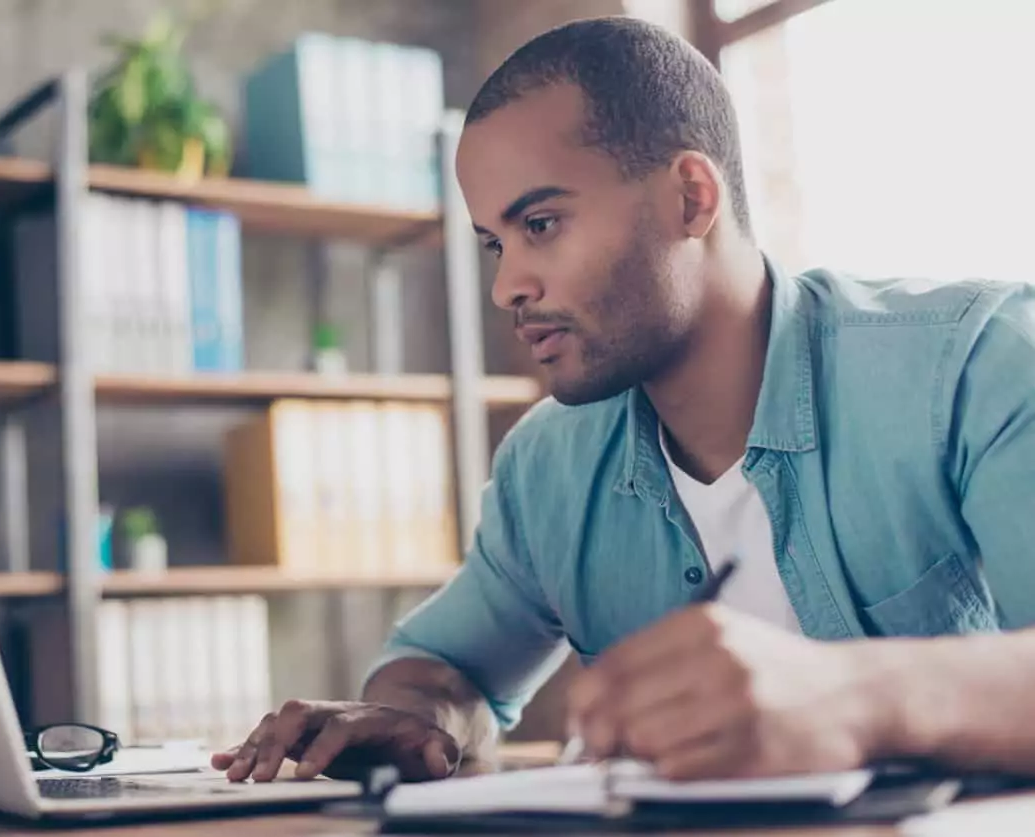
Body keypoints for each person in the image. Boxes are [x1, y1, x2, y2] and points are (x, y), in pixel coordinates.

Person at [213, 15, 1035, 784]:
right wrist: (413, 716)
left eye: (540, 223)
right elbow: (444, 667)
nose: (506, 286)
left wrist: (855, 695)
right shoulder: (549, 465)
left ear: (691, 198)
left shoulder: (974, 364)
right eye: (496, 242)